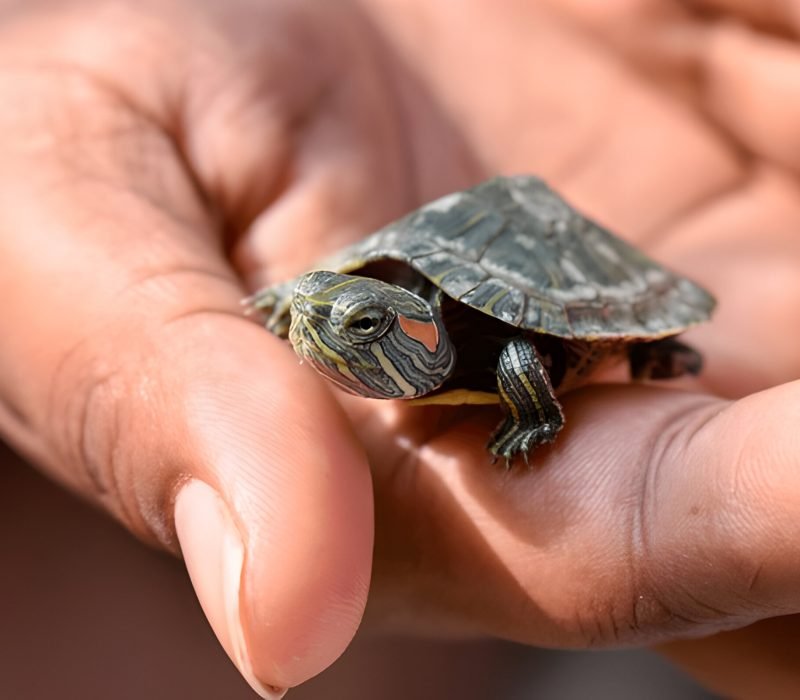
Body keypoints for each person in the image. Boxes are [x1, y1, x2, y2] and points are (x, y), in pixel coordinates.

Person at [1, 0, 799, 697]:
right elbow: (325, 295)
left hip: (559, 274)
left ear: (413, 329)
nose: (315, 327)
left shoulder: (484, 342)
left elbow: (522, 359)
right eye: (316, 313)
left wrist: (533, 416)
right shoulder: (371, 296)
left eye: (358, 328)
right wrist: (298, 300)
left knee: (580, 356)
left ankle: (657, 347)